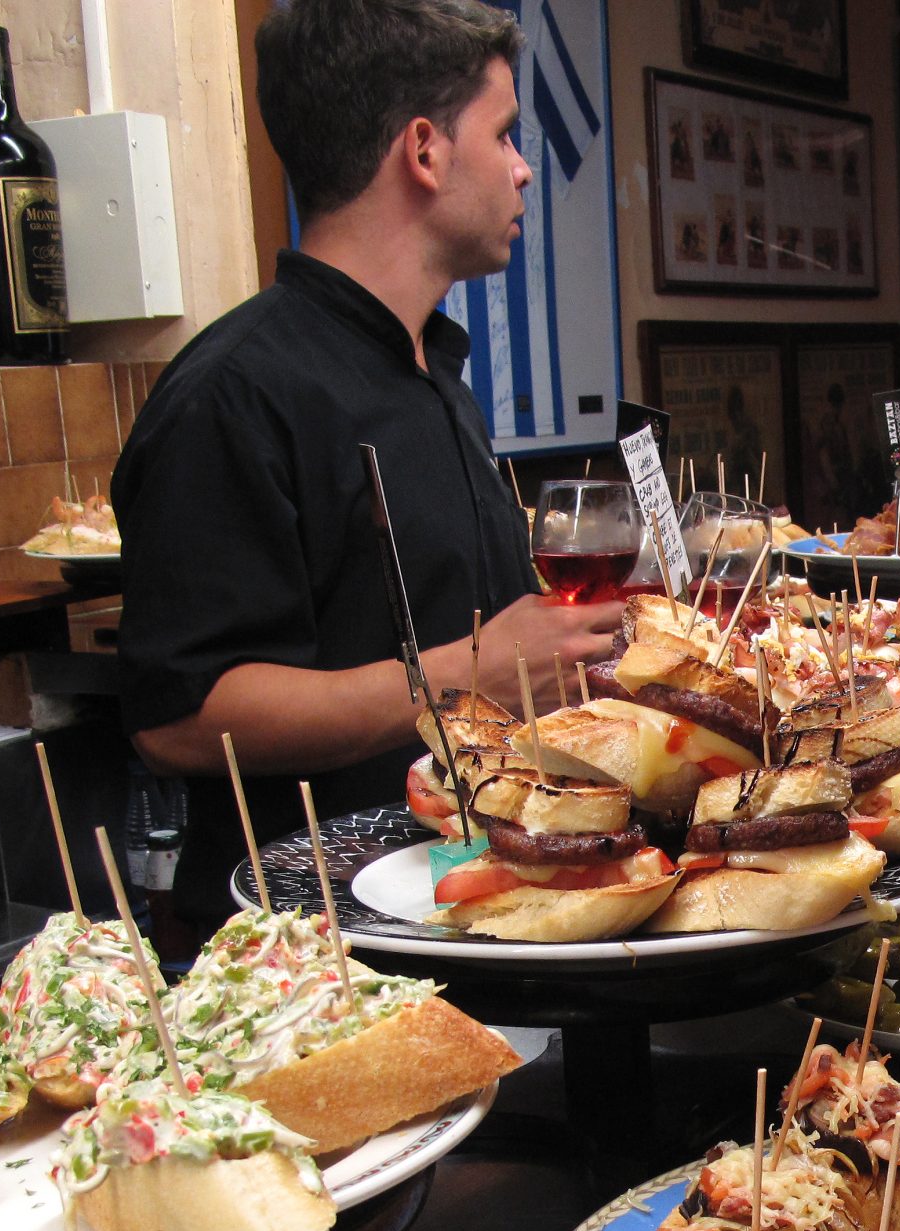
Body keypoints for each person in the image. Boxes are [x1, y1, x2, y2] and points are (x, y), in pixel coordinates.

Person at [112, 0, 618, 926]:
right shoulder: (235, 391)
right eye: (504, 134)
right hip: (316, 950)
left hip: (469, 907)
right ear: (424, 152)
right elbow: (180, 717)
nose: (521, 168)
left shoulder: (432, 368)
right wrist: (463, 676)